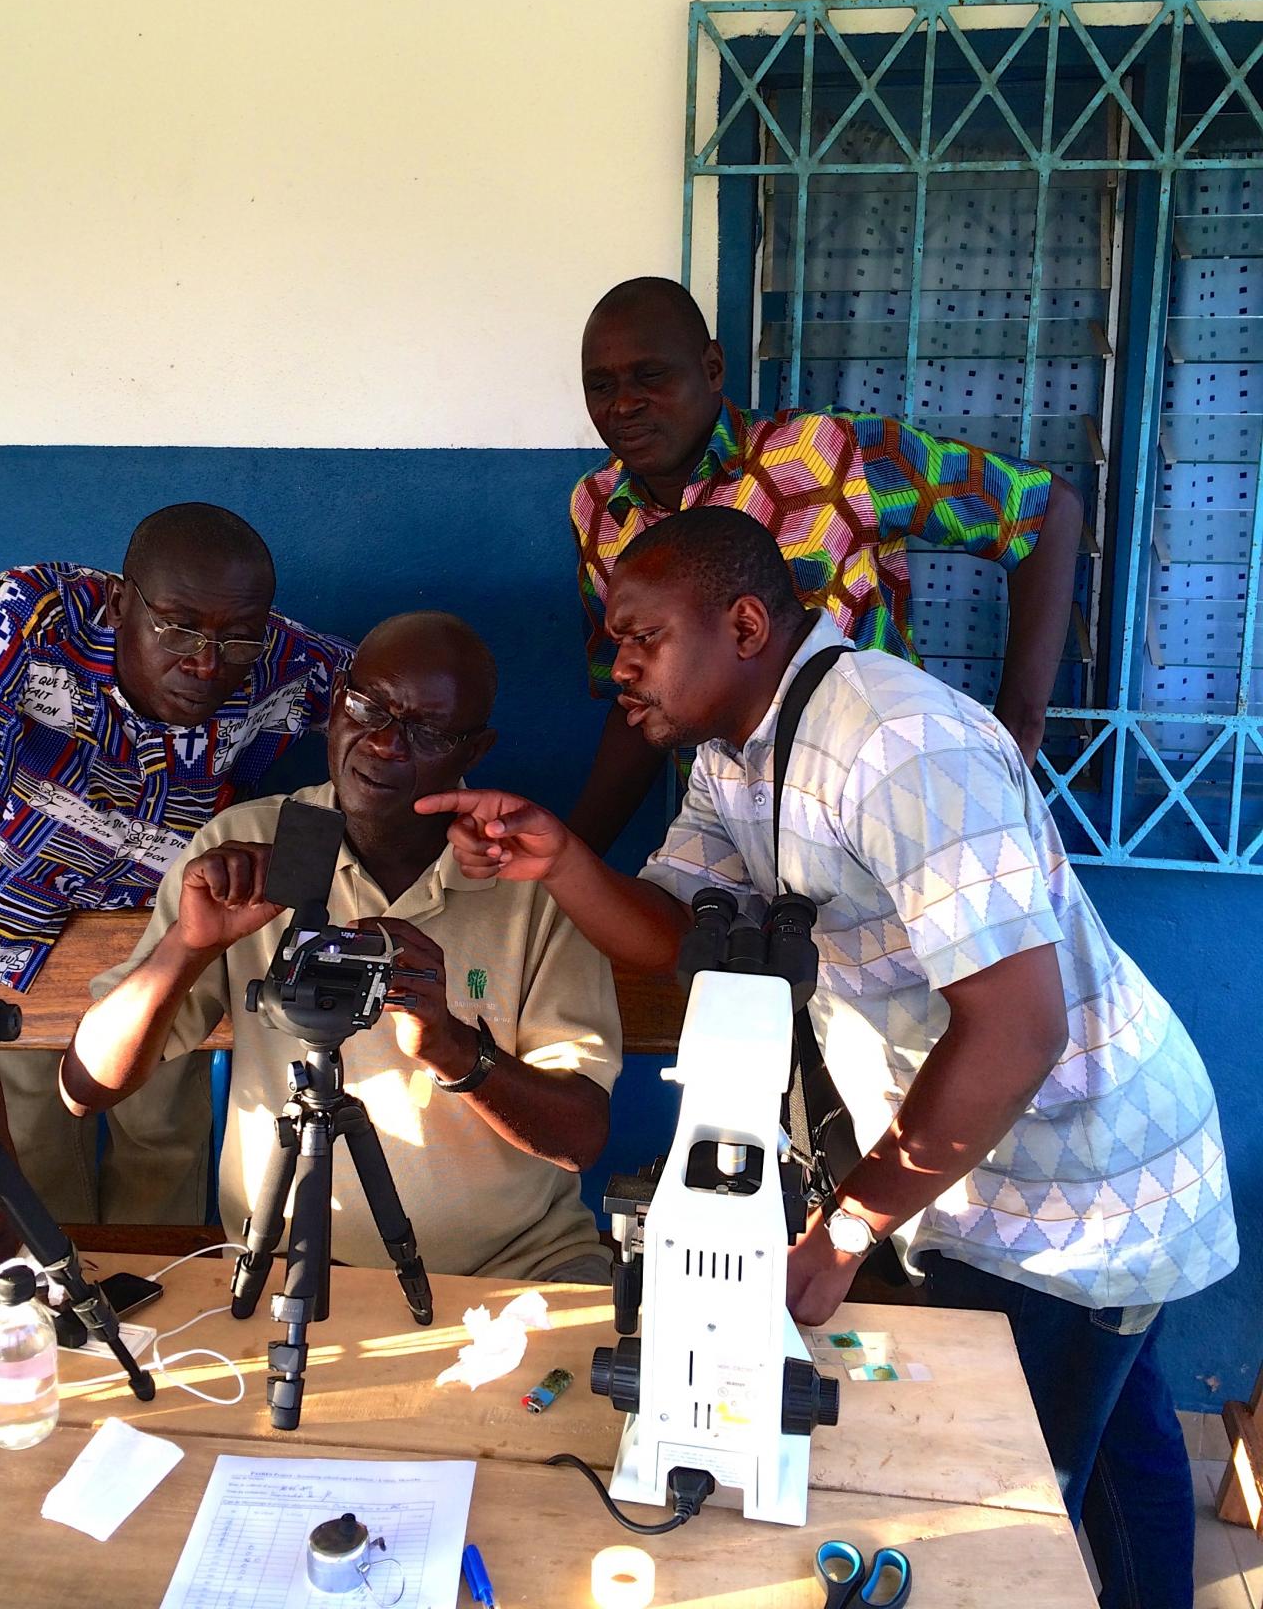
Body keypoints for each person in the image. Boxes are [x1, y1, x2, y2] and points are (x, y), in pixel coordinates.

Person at [422, 508, 1236, 1609]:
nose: (617, 666)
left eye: (641, 637)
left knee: (1002, 1499)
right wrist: (561, 860)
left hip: (1074, 1178)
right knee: (1120, 1449)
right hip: (994, 1164)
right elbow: (684, 939)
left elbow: (1018, 1029)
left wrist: (848, 1225)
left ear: (746, 622)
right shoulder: (738, 754)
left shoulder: (897, 746)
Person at [61, 612, 621, 1283]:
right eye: (368, 707)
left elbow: (580, 1138)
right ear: (334, 705)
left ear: (474, 751)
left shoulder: (526, 873)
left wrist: (451, 1047)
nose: (384, 743)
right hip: (290, 1265)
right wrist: (189, 944)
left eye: (426, 731)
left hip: (515, 1263)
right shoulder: (265, 849)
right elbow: (83, 1087)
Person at [0, 502, 351, 1229]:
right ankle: (52, 1322)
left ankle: (160, 1327)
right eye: (177, 627)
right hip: (9, 935)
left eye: (235, 640)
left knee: (164, 1151)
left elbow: (395, 712)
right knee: (26, 1167)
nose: (204, 662)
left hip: (163, 945)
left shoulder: (286, 660)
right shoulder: (30, 618)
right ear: (119, 600)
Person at [567, 275, 1084, 853]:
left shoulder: (832, 454)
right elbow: (636, 700)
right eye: (600, 385)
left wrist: (1016, 731)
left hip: (885, 808)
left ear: (712, 368)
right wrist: (569, 855)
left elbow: (1044, 512)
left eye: (650, 375)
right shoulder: (598, 509)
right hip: (735, 834)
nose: (624, 403)